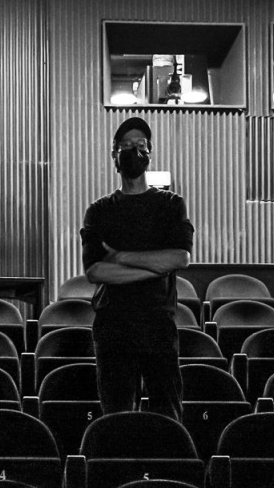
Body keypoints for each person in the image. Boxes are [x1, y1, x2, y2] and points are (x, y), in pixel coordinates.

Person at [80, 117, 194, 421]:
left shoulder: (170, 204)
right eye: (127, 146)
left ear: (150, 153)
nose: (134, 150)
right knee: (116, 415)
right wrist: (156, 267)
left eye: (141, 145)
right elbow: (95, 272)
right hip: (113, 325)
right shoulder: (100, 210)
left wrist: (121, 257)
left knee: (167, 414)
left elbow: (180, 258)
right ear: (115, 155)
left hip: (157, 322)